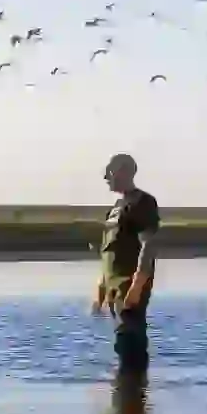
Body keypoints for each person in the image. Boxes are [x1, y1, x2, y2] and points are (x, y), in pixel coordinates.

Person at [91, 153, 160, 371]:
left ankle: (133, 398)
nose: (105, 177)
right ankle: (127, 397)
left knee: (131, 346)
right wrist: (100, 293)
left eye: (109, 171)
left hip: (129, 290)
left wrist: (136, 287)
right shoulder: (114, 209)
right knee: (122, 346)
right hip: (113, 291)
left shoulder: (143, 202)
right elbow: (109, 251)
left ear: (123, 171)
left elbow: (148, 246)